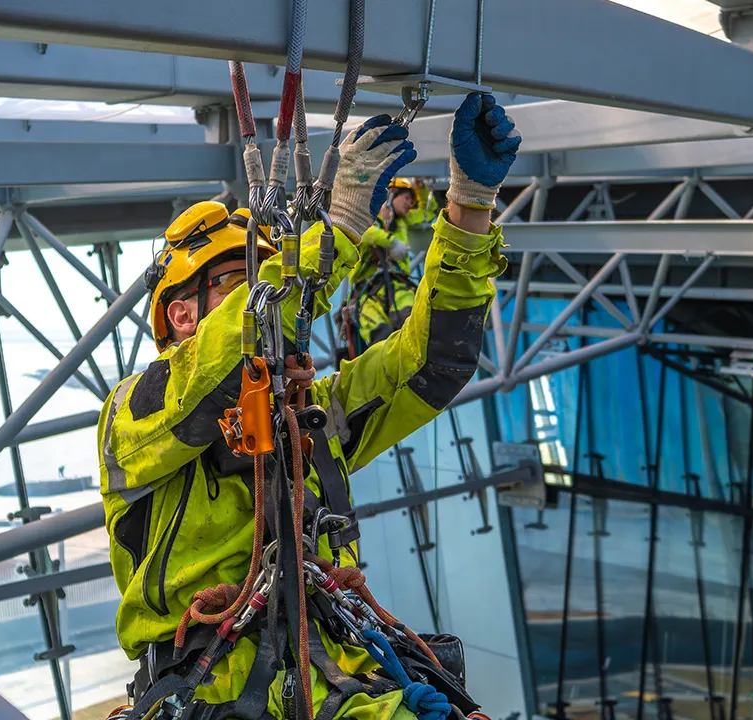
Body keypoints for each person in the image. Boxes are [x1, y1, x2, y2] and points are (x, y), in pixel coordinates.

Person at [97, 92, 520, 719]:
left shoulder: (311, 425)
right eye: (234, 280)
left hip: (342, 691)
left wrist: (468, 212)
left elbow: (431, 363)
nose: (269, 295)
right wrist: (340, 229)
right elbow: (233, 352)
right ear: (179, 315)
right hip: (210, 695)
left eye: (259, 275)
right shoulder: (133, 416)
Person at [344, 177, 439, 352]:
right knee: (381, 341)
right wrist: (391, 242)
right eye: (407, 198)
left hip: (399, 287)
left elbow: (429, 212)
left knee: (414, 328)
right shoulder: (369, 217)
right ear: (391, 195)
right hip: (368, 292)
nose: (410, 204)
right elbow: (363, 232)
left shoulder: (404, 220)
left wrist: (420, 187)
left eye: (412, 200)